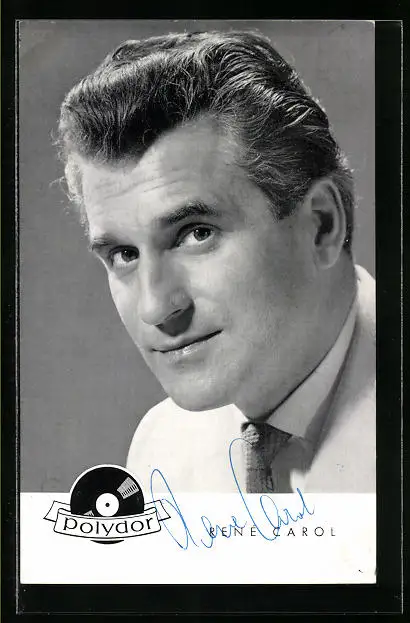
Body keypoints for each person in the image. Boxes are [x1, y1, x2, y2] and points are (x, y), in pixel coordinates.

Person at [57, 30, 375, 494]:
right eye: (124, 254)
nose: (155, 308)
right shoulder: (161, 447)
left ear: (321, 226)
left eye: (196, 234)